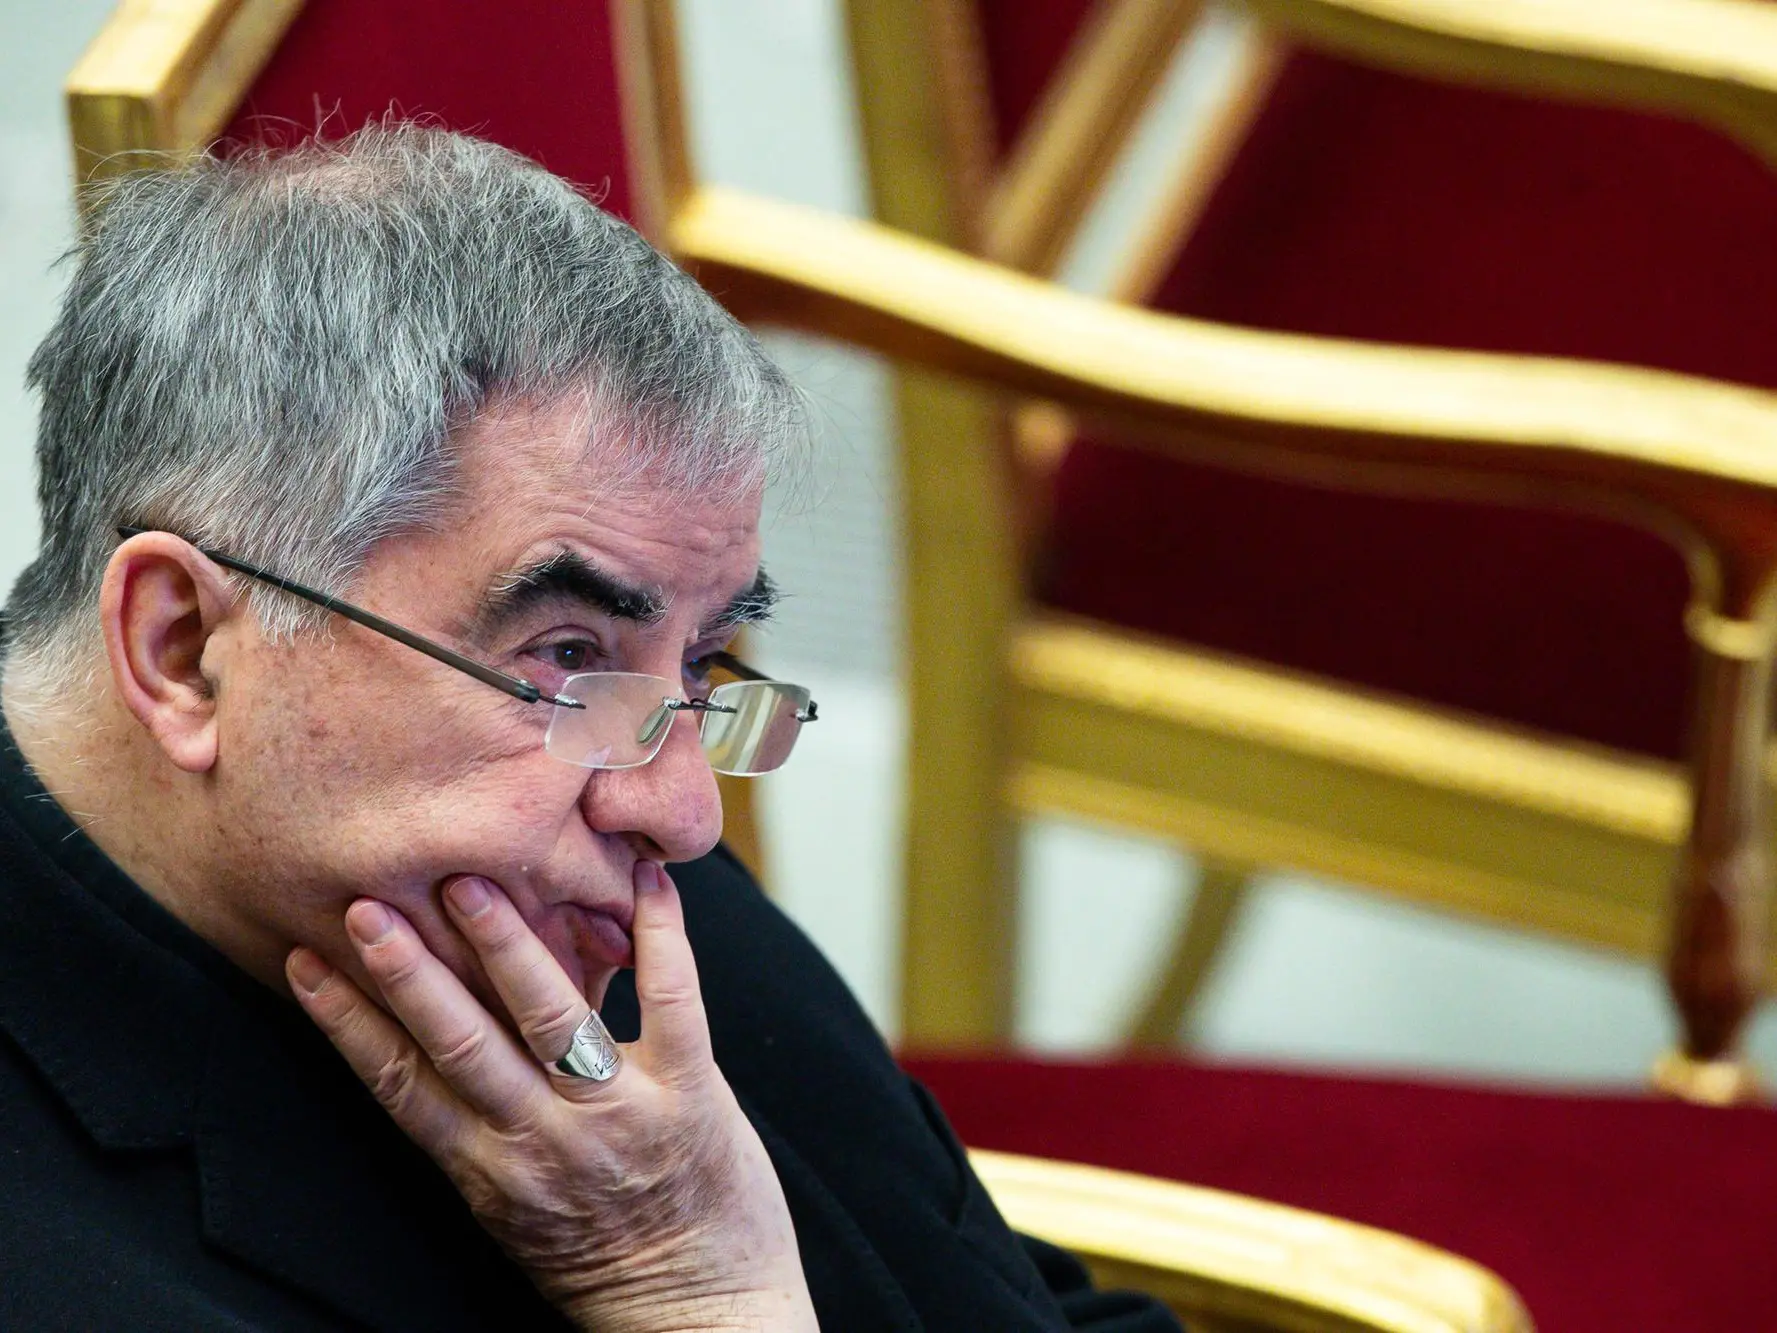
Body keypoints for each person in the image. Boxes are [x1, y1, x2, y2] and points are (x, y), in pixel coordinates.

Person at [0, 125, 1180, 1331]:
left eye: (706, 660)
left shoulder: (580, 894)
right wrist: (699, 1297)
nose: (687, 813)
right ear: (183, 650)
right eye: (568, 658)